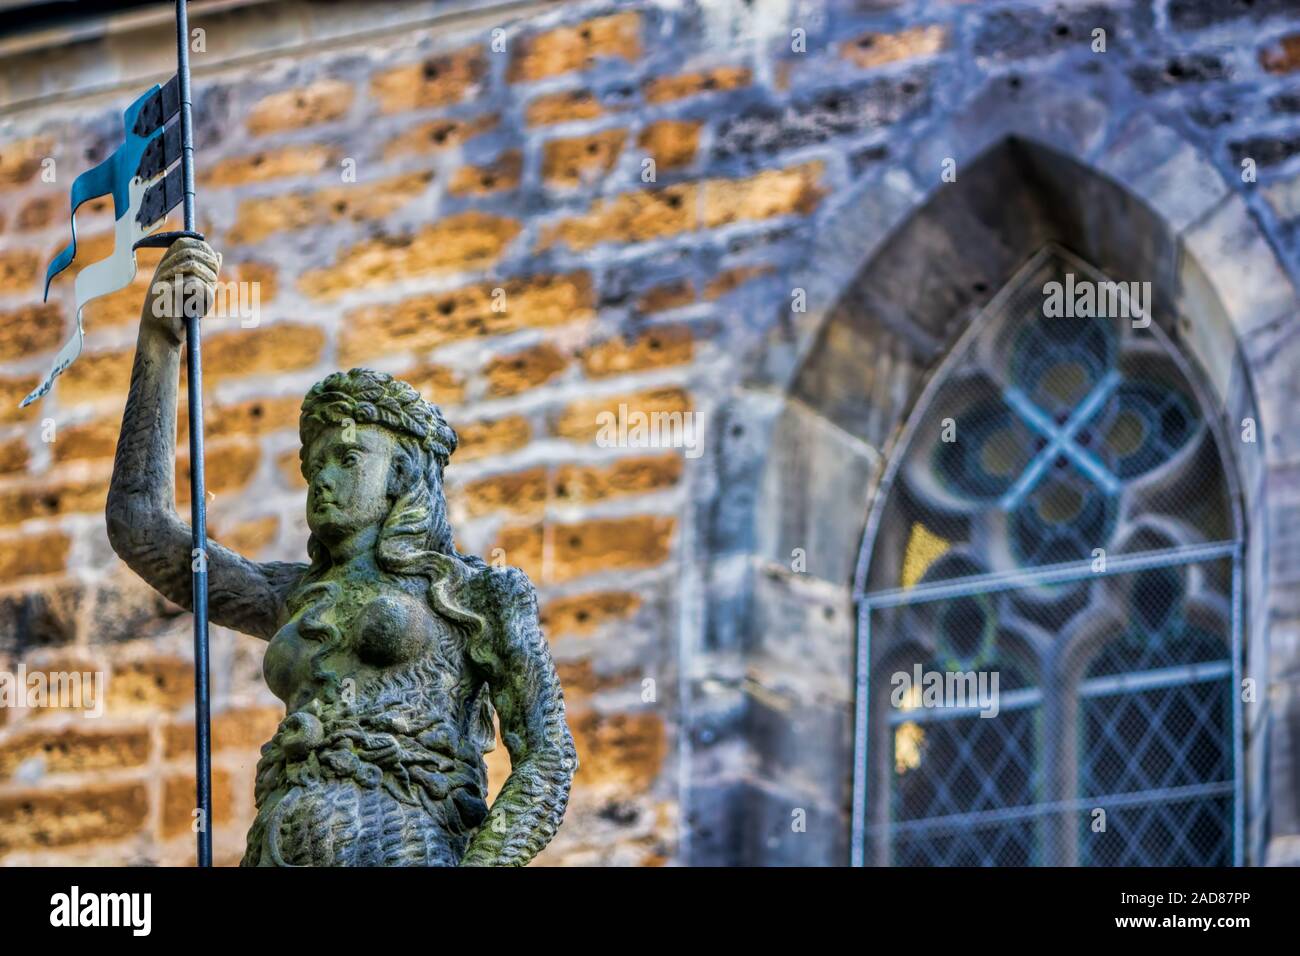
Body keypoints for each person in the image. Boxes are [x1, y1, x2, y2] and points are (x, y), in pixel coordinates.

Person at [107, 238, 576, 866]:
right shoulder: (292, 594)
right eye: (313, 463)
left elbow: (546, 756)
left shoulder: (478, 595)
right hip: (277, 844)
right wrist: (161, 343)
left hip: (407, 843)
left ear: (402, 476)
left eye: (347, 458)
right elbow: (143, 529)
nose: (322, 478)